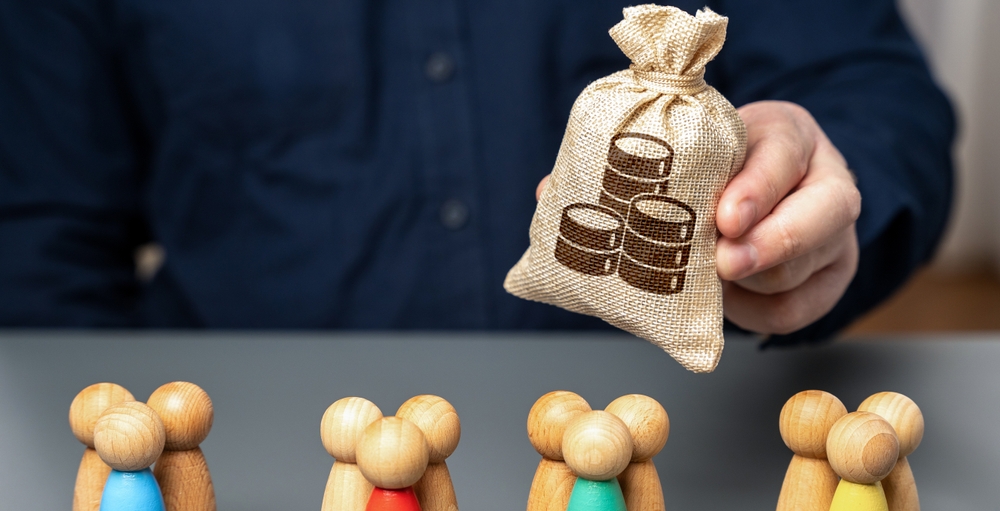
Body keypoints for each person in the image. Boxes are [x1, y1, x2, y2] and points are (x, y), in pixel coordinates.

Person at [0, 1, 954, 345]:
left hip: (667, 452)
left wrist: (810, 213)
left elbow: (876, 98)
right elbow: (40, 238)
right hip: (232, 465)